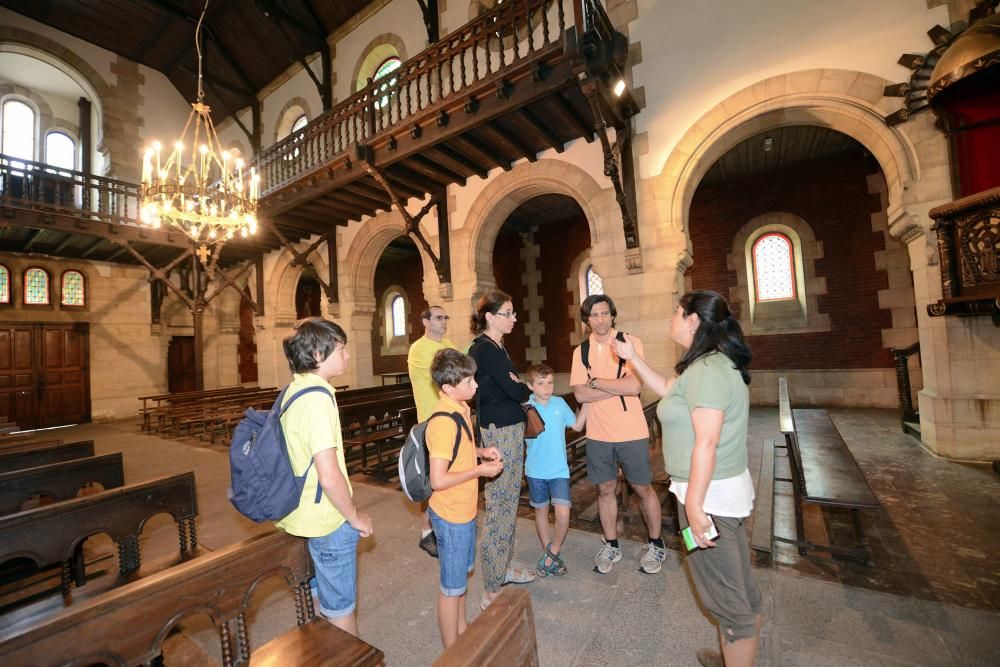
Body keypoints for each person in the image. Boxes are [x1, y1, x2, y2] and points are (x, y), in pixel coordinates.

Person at [613, 290, 759, 667]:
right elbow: (668, 391)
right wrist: (634, 360)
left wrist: (694, 507)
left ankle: (736, 654)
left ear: (694, 321)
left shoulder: (709, 371)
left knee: (732, 607)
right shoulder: (703, 367)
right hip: (711, 495)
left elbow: (706, 442)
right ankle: (731, 658)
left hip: (709, 501)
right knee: (735, 589)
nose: (671, 319)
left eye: (676, 313)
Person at [276, 317, 374, 637]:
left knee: (321, 600)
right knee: (342, 611)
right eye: (341, 349)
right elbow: (329, 474)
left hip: (301, 514)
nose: (346, 355)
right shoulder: (318, 398)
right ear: (319, 354)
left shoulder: (295, 389)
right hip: (326, 520)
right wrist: (354, 516)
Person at [570, 294, 665, 574]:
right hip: (598, 433)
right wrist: (615, 385)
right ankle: (611, 544)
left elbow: (634, 387)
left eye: (604, 313)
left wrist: (596, 383)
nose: (600, 319)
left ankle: (656, 544)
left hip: (631, 431)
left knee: (642, 488)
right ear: (587, 321)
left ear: (613, 315)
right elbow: (579, 392)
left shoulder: (629, 343)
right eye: (594, 315)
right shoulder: (581, 352)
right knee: (605, 489)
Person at [426, 348, 504, 648]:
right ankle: (452, 652)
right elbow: (438, 479)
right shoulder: (444, 421)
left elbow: (458, 453)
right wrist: (480, 471)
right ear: (448, 388)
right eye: (468, 381)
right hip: (451, 514)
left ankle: (461, 632)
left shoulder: (461, 409)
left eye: (473, 379)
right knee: (451, 588)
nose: (475, 385)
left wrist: (481, 452)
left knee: (459, 584)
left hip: (464, 510)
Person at [468, 289, 535, 610]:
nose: (514, 318)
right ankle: (491, 588)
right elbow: (515, 388)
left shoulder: (496, 347)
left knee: (507, 503)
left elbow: (512, 384)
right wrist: (522, 386)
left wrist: (517, 384)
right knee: (500, 507)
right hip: (501, 434)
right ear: (490, 317)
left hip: (507, 429)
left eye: (513, 312)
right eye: (508, 313)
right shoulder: (486, 350)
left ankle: (502, 567)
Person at [523, 363, 587, 576]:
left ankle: (553, 551)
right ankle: (547, 553)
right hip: (535, 470)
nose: (547, 388)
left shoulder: (559, 403)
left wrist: (587, 402)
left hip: (559, 470)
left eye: (550, 382)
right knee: (541, 511)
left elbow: (577, 426)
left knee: (562, 514)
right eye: (541, 384)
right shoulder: (525, 408)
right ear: (531, 386)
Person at [408, 305, 458, 558]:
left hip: (450, 418)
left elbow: (464, 370)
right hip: (430, 420)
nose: (443, 321)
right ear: (425, 321)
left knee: (447, 476)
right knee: (430, 479)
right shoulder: (418, 348)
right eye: (438, 317)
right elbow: (447, 375)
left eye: (445, 317)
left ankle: (443, 524)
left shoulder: (448, 343)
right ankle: (426, 531)